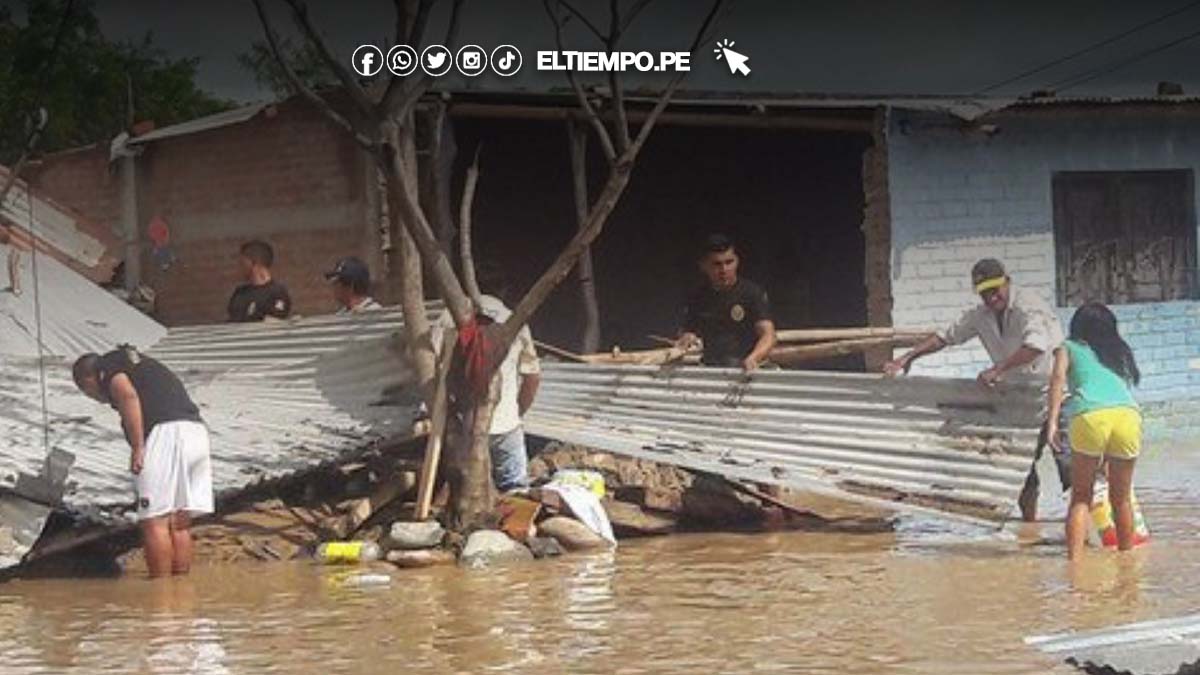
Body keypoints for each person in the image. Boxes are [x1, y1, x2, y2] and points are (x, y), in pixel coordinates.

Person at [884, 258, 1067, 520]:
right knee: (1020, 467)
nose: (992, 298)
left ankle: (1084, 529)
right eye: (985, 293)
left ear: (1007, 281)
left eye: (996, 290)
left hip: (1054, 393)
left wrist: (997, 369)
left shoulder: (1030, 307)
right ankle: (1030, 526)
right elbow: (945, 337)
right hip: (1016, 400)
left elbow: (1035, 347)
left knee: (1069, 464)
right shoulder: (980, 316)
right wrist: (907, 358)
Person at [72, 345, 213, 577]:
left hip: (164, 433)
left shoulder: (107, 367)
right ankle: (180, 590)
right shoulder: (136, 363)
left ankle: (160, 595)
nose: (96, 398)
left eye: (89, 392)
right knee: (180, 522)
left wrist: (138, 447)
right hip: (194, 431)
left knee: (153, 521)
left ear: (89, 379)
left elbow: (128, 396)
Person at [1046, 303, 1142, 560]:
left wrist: (1053, 421)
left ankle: (1075, 566)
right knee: (1121, 498)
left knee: (1081, 496)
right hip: (1128, 416)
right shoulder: (1117, 351)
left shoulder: (1067, 347)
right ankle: (1127, 562)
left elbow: (1056, 381)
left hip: (1089, 415)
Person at [431, 269, 542, 491]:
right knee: (516, 492)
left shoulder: (448, 317)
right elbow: (532, 378)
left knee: (463, 491)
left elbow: (432, 365)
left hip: (463, 426)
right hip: (505, 425)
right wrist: (516, 412)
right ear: (503, 290)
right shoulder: (513, 320)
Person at [676, 234, 777, 370]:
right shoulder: (698, 297)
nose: (724, 270)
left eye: (729, 262)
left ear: (737, 261)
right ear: (703, 266)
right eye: (717, 264)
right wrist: (687, 338)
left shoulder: (751, 293)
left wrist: (754, 357)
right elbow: (687, 330)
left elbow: (768, 335)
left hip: (748, 368)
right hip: (712, 369)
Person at [226, 240, 292, 322]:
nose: (240, 268)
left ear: (254, 264)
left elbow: (273, 323)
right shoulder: (240, 293)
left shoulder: (277, 293)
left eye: (242, 263)